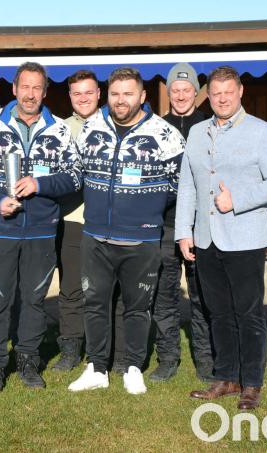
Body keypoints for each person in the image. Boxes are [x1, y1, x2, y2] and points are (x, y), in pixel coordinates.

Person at [175, 65, 267, 410]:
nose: (222, 98)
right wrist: (184, 231)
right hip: (206, 238)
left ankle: (251, 382)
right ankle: (225, 377)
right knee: (218, 312)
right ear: (207, 96)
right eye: (215, 92)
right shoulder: (197, 133)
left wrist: (236, 200)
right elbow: (188, 185)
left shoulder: (261, 131)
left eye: (228, 91)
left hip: (245, 238)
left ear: (241, 93)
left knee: (248, 313)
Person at [68, 67, 185, 395]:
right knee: (94, 303)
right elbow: (76, 172)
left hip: (141, 239)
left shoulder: (165, 134)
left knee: (137, 307)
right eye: (116, 94)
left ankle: (134, 367)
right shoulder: (91, 127)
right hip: (95, 236)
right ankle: (96, 368)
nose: (121, 100)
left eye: (128, 93)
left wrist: (145, 211)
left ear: (143, 96)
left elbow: (180, 186)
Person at [0, 62, 80, 392]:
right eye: (25, 87)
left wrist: (40, 184)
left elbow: (76, 176)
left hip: (41, 230)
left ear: (45, 92)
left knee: (33, 299)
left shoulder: (59, 129)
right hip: (1, 226)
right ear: (14, 89)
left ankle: (28, 360)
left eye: (37, 88)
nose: (30, 94)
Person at [151, 63, 214, 383]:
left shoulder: (209, 126)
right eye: (174, 90)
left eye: (186, 90)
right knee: (165, 294)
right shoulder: (157, 128)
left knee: (202, 293)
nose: (180, 95)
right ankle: (167, 358)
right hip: (165, 224)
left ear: (196, 92)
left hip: (201, 225)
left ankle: (205, 357)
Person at [53, 69, 101, 372]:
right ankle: (70, 347)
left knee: (103, 289)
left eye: (88, 92)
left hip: (107, 221)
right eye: (77, 93)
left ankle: (103, 348)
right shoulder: (59, 130)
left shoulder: (114, 125)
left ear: (99, 93)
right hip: (71, 219)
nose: (83, 98)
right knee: (70, 288)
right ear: (70, 97)